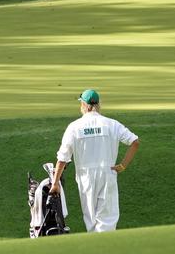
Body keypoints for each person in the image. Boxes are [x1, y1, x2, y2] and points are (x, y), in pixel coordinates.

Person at [49, 89, 139, 232]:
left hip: (85, 177)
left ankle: (98, 248)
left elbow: (62, 158)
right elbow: (135, 142)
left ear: (84, 105)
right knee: (107, 220)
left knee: (91, 220)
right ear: (98, 104)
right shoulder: (112, 124)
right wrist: (123, 165)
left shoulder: (74, 127)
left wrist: (55, 183)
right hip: (107, 173)